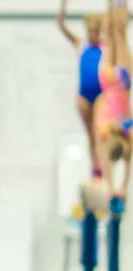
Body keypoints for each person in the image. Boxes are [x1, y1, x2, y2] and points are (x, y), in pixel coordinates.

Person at [58, 2, 104, 176]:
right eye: (90, 31)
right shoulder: (81, 44)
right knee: (90, 134)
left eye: (95, 31)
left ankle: (102, 165)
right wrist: (62, 12)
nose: (92, 34)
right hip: (84, 96)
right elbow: (63, 28)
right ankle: (96, 168)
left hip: (101, 95)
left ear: (100, 31)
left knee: (99, 133)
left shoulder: (106, 47)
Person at [97, 0, 133, 199]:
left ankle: (120, 2)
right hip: (107, 81)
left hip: (123, 82)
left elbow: (127, 167)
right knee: (111, 34)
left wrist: (121, 188)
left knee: (120, 33)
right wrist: (112, 188)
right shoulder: (105, 132)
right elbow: (106, 165)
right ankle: (111, 3)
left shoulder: (128, 131)